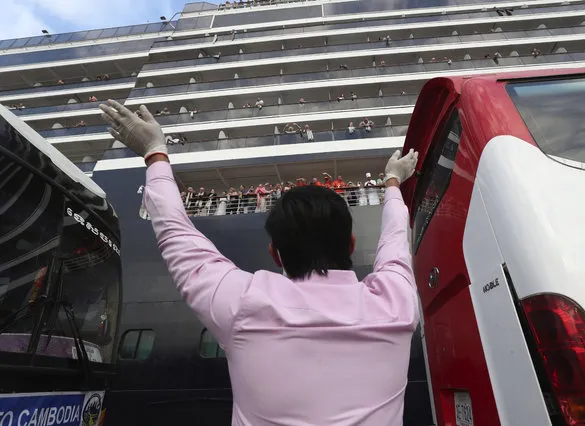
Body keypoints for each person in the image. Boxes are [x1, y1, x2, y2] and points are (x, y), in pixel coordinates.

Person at [99, 99, 419, 425]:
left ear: (275, 254)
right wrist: (392, 180)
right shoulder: (396, 301)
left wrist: (155, 150)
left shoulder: (244, 302)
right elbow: (395, 237)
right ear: (351, 244)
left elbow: (173, 230)